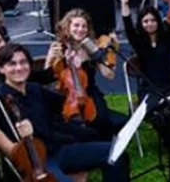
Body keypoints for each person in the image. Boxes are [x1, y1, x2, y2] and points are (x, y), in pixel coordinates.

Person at [0, 45, 135, 182]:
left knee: (115, 152)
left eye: (23, 62)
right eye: (12, 64)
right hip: (36, 162)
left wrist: (74, 71)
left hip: (58, 149)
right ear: (1, 69)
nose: (19, 68)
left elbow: (65, 102)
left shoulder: (34, 89)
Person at [46, 9, 128, 139]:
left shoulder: (92, 47)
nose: (80, 29)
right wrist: (50, 58)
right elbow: (48, 76)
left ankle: (104, 148)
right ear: (68, 27)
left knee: (102, 119)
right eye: (76, 25)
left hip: (90, 93)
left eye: (84, 26)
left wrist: (97, 56)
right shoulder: (59, 47)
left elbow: (109, 75)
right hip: (67, 95)